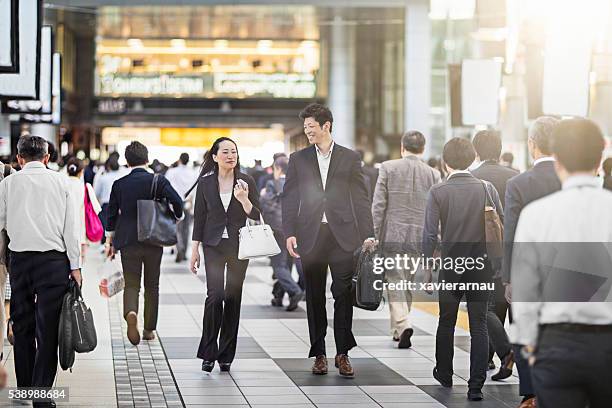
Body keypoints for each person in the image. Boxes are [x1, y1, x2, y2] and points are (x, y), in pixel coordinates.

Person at [511, 118, 612, 408]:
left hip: (556, 343)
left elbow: (525, 290)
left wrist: (529, 344)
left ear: (557, 160)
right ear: (600, 158)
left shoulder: (536, 215)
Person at [282, 103, 375, 378]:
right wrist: (289, 232)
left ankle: (343, 353)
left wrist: (368, 234)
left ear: (326, 126)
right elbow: (289, 198)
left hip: (342, 236)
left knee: (343, 294)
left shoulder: (349, 158)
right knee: (313, 296)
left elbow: (360, 198)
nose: (307, 131)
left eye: (311, 127)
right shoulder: (298, 159)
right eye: (306, 127)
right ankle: (319, 353)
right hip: (310, 236)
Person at [0, 135, 82, 406]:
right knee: (48, 329)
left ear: (19, 158)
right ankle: (41, 395)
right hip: (54, 263)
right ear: (47, 158)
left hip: (20, 262)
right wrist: (76, 266)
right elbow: (71, 230)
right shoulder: (61, 182)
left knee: (22, 325)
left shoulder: (8, 184)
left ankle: (24, 389)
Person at [422, 137, 502, 402]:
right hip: (481, 265)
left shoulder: (438, 191)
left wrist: (427, 267)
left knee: (447, 320)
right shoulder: (486, 188)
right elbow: (500, 225)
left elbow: (430, 234)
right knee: (478, 323)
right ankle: (476, 386)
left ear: (445, 162)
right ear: (472, 158)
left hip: (451, 264)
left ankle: (444, 372)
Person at [503, 116, 561, 408]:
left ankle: (531, 394)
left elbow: (511, 234)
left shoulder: (518, 183)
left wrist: (509, 277)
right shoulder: (571, 181)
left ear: (531, 144)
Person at [188, 137, 260, 373]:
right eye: (226, 152)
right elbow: (199, 217)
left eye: (234, 152)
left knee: (233, 298)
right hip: (213, 245)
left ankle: (226, 355)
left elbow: (257, 216)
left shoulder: (246, 181)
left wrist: (244, 200)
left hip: (241, 246)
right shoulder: (206, 183)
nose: (231, 156)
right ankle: (208, 352)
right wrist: (195, 249)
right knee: (215, 296)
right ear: (215, 156)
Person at [105, 142, 183, 345]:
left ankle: (131, 313)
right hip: (153, 239)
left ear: (127, 161)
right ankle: (149, 329)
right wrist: (177, 215)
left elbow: (111, 215)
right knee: (152, 285)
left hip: (128, 240)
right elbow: (178, 202)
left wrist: (109, 240)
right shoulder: (158, 181)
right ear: (147, 159)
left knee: (132, 283)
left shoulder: (119, 184)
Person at [372, 131, 440, 348]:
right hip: (419, 236)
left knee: (395, 281)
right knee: (407, 281)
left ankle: (402, 324)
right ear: (423, 149)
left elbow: (378, 205)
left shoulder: (388, 168)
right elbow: (434, 212)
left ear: (402, 147)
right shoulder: (433, 174)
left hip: (393, 234)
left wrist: (374, 234)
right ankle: (398, 330)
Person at [471, 129, 519, 378]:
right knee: (500, 304)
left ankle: (499, 354)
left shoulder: (470, 178)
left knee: (484, 307)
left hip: (481, 253)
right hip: (511, 252)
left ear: (476, 151)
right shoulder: (516, 176)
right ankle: (497, 358)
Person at [260, 155, 305, 311]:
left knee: (279, 265)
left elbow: (267, 206)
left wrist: (263, 195)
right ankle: (278, 296)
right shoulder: (298, 184)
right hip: (295, 230)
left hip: (278, 229)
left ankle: (295, 291)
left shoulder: (272, 184)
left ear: (277, 168)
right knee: (286, 264)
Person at [66, 157, 102, 264]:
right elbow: (97, 209)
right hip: (81, 231)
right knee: (79, 262)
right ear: (82, 171)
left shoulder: (61, 184)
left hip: (64, 231)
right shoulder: (86, 187)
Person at [165, 153, 198, 262]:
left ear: (179, 160)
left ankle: (180, 248)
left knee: (177, 227)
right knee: (186, 228)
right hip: (187, 202)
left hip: (175, 202)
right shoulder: (192, 172)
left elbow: (166, 185)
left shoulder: (172, 172)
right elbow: (195, 188)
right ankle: (184, 252)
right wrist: (191, 201)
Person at [93, 155, 124, 244]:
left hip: (106, 205)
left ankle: (105, 244)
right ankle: (115, 244)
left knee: (106, 226)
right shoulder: (121, 176)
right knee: (117, 226)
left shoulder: (103, 178)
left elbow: (96, 192)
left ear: (108, 166)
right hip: (119, 205)